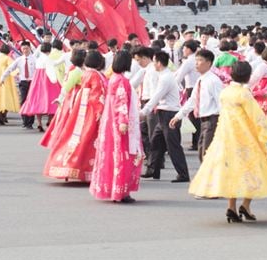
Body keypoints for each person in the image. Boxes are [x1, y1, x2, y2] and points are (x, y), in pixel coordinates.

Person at [187, 60, 267, 223]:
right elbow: (257, 117)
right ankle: (246, 205)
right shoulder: (244, 94)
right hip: (244, 137)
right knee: (251, 171)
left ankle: (231, 206)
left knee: (231, 171)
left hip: (225, 137)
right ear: (247, 76)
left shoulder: (226, 92)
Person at [42, 50, 107, 182]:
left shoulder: (86, 73)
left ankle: (69, 165)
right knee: (87, 139)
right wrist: (101, 110)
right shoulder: (93, 75)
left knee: (77, 136)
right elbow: (96, 95)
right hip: (91, 110)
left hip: (82, 107)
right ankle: (83, 168)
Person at [90, 49, 143, 203]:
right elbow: (121, 103)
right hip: (119, 124)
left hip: (111, 123)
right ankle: (121, 190)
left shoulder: (113, 78)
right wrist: (123, 122)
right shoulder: (121, 80)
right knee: (123, 155)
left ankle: (115, 189)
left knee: (113, 155)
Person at [139, 50, 190, 183]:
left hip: (169, 114)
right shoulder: (164, 76)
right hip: (163, 114)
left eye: (154, 61)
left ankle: (183, 174)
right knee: (155, 142)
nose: (153, 64)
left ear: (159, 63)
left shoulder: (166, 78)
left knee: (173, 146)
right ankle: (153, 170)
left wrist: (143, 112)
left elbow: (156, 96)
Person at [172, 48, 222, 159]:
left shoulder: (213, 81)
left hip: (212, 120)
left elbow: (220, 102)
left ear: (208, 63)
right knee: (202, 150)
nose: (196, 64)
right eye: (196, 60)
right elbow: (192, 100)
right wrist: (178, 116)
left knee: (206, 152)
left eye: (199, 60)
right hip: (203, 121)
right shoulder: (201, 79)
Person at [3, 40, 37, 129]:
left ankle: (30, 122)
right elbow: (10, 69)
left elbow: (38, 71)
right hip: (23, 82)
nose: (25, 50)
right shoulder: (19, 60)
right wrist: (2, 78)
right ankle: (24, 120)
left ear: (30, 48)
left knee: (31, 102)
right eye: (23, 48)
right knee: (23, 101)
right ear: (21, 49)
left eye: (27, 48)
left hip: (32, 83)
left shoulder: (35, 59)